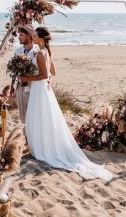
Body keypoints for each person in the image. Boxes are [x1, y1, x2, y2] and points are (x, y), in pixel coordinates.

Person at [20, 26, 112, 181]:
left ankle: (41, 149)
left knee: (35, 118)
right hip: (43, 91)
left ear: (41, 39)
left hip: (39, 90)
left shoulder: (41, 53)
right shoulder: (47, 52)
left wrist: (27, 78)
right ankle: (43, 145)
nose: (33, 37)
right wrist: (46, 80)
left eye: (35, 35)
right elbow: (52, 73)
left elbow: (44, 75)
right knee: (44, 118)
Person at [11, 25, 40, 123]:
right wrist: (12, 86)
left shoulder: (37, 50)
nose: (19, 37)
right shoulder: (17, 51)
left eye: (21, 35)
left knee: (33, 113)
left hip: (33, 86)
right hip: (20, 87)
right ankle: (26, 137)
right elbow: (14, 71)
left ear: (28, 36)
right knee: (23, 114)